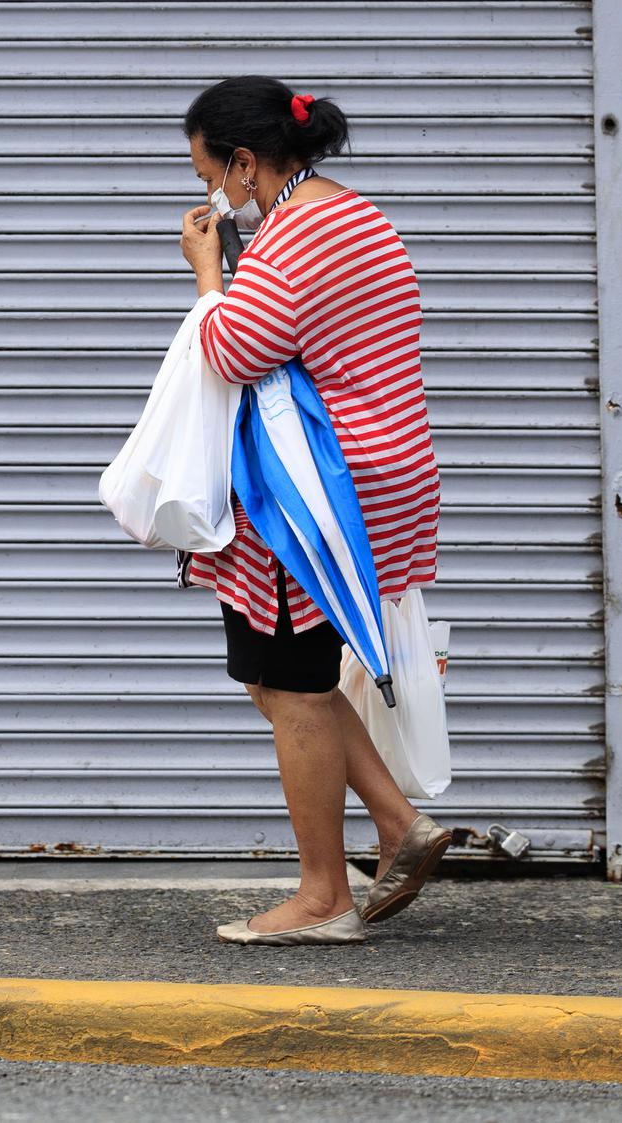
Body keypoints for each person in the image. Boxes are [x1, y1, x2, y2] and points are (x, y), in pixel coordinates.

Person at [176, 77, 451, 946]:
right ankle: (400, 824)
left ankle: (324, 897)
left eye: (208, 174)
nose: (208, 195)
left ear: (246, 161)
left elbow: (231, 351)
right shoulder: (354, 213)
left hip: (314, 493)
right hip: (374, 472)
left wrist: (208, 269)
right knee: (280, 675)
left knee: (289, 684)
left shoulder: (293, 236)